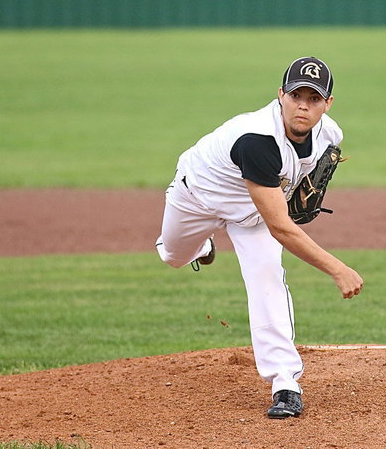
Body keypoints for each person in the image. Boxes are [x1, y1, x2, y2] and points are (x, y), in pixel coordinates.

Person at [155, 56, 364, 419]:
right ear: (280, 95)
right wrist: (337, 268)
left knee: (267, 274)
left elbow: (290, 196)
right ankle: (202, 244)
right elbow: (283, 227)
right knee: (173, 255)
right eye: (296, 94)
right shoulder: (257, 139)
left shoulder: (330, 133)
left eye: (314, 98)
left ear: (327, 104)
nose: (303, 105)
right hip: (198, 198)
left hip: (254, 214)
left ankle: (285, 382)